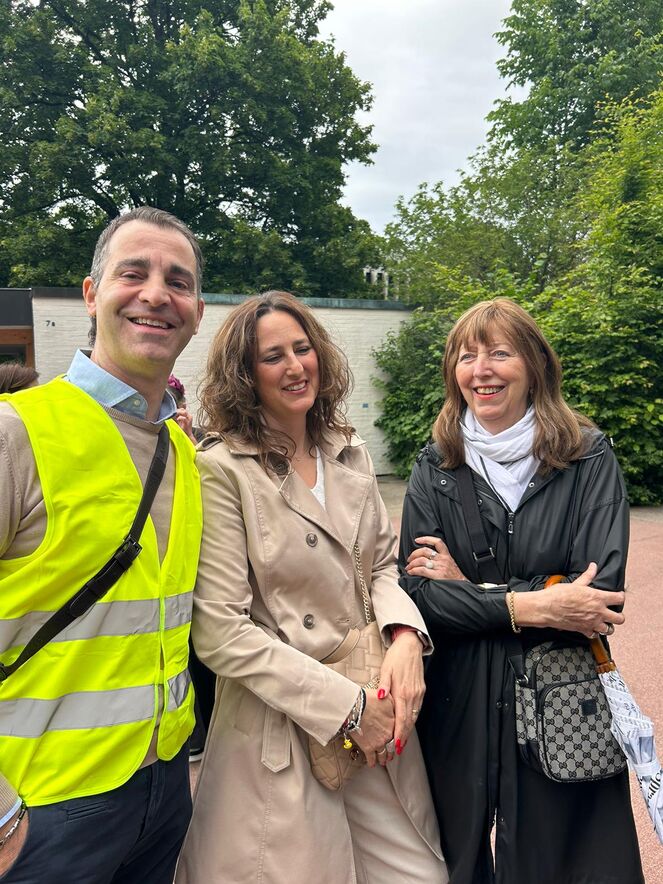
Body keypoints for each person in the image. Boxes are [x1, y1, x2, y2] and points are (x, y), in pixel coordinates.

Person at [176, 291, 447, 883]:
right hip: (284, 722)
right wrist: (348, 710)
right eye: (272, 356)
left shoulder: (347, 449)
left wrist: (405, 636)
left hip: (373, 695)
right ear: (245, 375)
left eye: (303, 348)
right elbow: (220, 631)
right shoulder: (222, 468)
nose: (295, 366)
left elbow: (381, 565)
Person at [398, 298, 644, 884]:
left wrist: (469, 589)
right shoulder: (435, 465)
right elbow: (418, 594)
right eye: (466, 356)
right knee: (451, 858)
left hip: (560, 692)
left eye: (500, 354)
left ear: (534, 365)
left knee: (567, 859)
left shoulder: (587, 456)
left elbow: (598, 597)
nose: (481, 370)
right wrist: (535, 602)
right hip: (457, 694)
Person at [0, 206, 205, 883]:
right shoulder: (16, 433)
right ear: (92, 294)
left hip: (163, 788)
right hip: (40, 809)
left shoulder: (181, 453)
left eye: (178, 282)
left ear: (197, 312)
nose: (157, 294)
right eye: (133, 273)